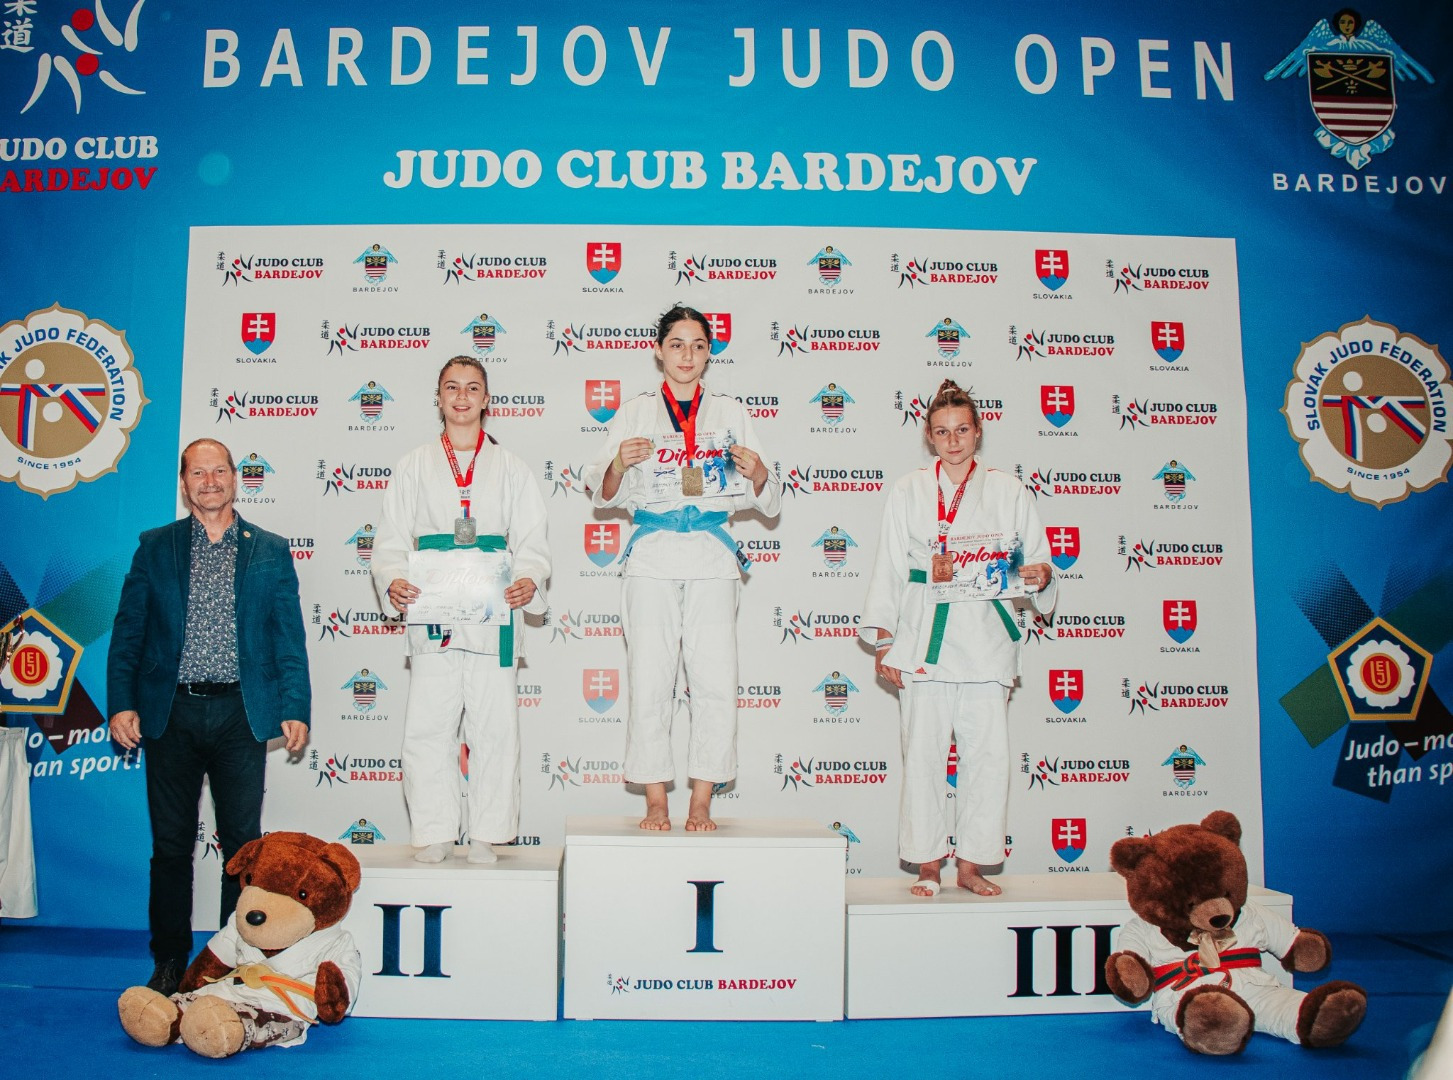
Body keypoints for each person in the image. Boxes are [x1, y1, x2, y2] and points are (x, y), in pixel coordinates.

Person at [108, 438, 311, 995]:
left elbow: (288, 637)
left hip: (240, 715)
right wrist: (122, 702)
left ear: (234, 478)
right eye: (198, 473)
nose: (210, 481)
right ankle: (170, 961)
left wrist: (294, 705)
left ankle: (233, 959)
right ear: (184, 484)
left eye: (219, 471)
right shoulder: (155, 547)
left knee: (242, 848)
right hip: (169, 713)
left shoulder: (269, 549)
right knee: (171, 846)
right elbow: (128, 633)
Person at [584, 304, 780, 832]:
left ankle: (701, 801)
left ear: (709, 352)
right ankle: (655, 800)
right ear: (658, 351)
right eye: (676, 344)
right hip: (652, 553)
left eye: (697, 345)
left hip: (712, 554)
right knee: (650, 676)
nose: (687, 355)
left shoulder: (731, 413)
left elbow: (768, 498)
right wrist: (618, 463)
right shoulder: (635, 412)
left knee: (715, 679)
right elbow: (602, 491)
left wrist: (759, 472)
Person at [859, 380, 1057, 897]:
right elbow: (889, 566)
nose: (953, 441)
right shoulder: (908, 490)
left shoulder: (1009, 490)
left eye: (962, 430)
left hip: (986, 636)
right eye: (942, 432)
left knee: (987, 759)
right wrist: (884, 641)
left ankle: (972, 864)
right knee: (923, 755)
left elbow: (1038, 559)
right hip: (924, 634)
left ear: (978, 432)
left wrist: (1040, 575)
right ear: (929, 436)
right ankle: (928, 864)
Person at [372, 356, 549, 864]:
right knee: (428, 725)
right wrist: (394, 579)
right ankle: (435, 830)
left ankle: (488, 833)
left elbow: (533, 541)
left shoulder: (511, 467)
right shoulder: (413, 465)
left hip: (493, 610)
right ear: (439, 397)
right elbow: (390, 540)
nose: (462, 397)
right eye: (452, 387)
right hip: (434, 608)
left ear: (487, 399)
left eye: (473, 388)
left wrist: (528, 579)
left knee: (495, 727)